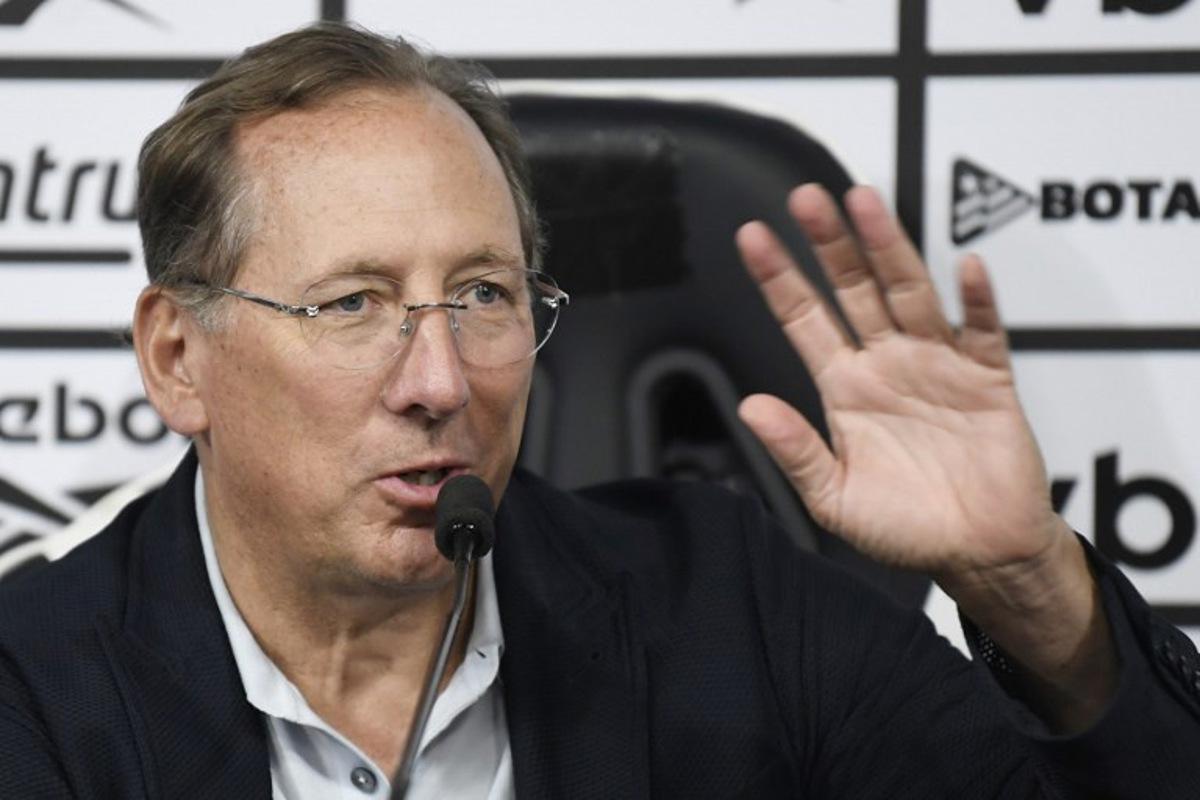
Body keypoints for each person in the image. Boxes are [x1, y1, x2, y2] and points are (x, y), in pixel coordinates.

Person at [0, 22, 1197, 799]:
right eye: (354, 303)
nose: (441, 381)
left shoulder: (725, 598)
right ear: (177, 357)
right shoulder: (32, 686)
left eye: (482, 294)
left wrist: (1025, 579)